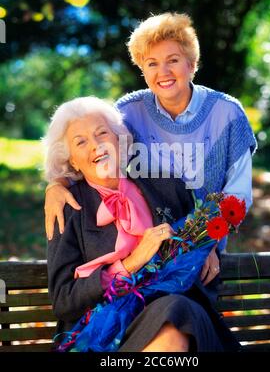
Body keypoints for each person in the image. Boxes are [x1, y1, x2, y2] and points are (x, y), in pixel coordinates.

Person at [44, 12, 257, 289]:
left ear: (192, 64)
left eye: (173, 60)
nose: (163, 72)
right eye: (152, 64)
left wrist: (202, 244)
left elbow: (238, 198)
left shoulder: (228, 114)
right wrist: (56, 185)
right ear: (142, 71)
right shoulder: (128, 112)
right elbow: (93, 152)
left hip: (205, 257)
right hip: (145, 256)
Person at [44, 96, 240, 352]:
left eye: (102, 133)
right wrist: (130, 263)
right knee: (172, 323)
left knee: (175, 314)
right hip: (104, 333)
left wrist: (206, 244)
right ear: (71, 161)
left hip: (180, 313)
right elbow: (63, 300)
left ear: (118, 139)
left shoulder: (167, 186)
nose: (96, 146)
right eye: (81, 142)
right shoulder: (67, 207)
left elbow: (199, 234)